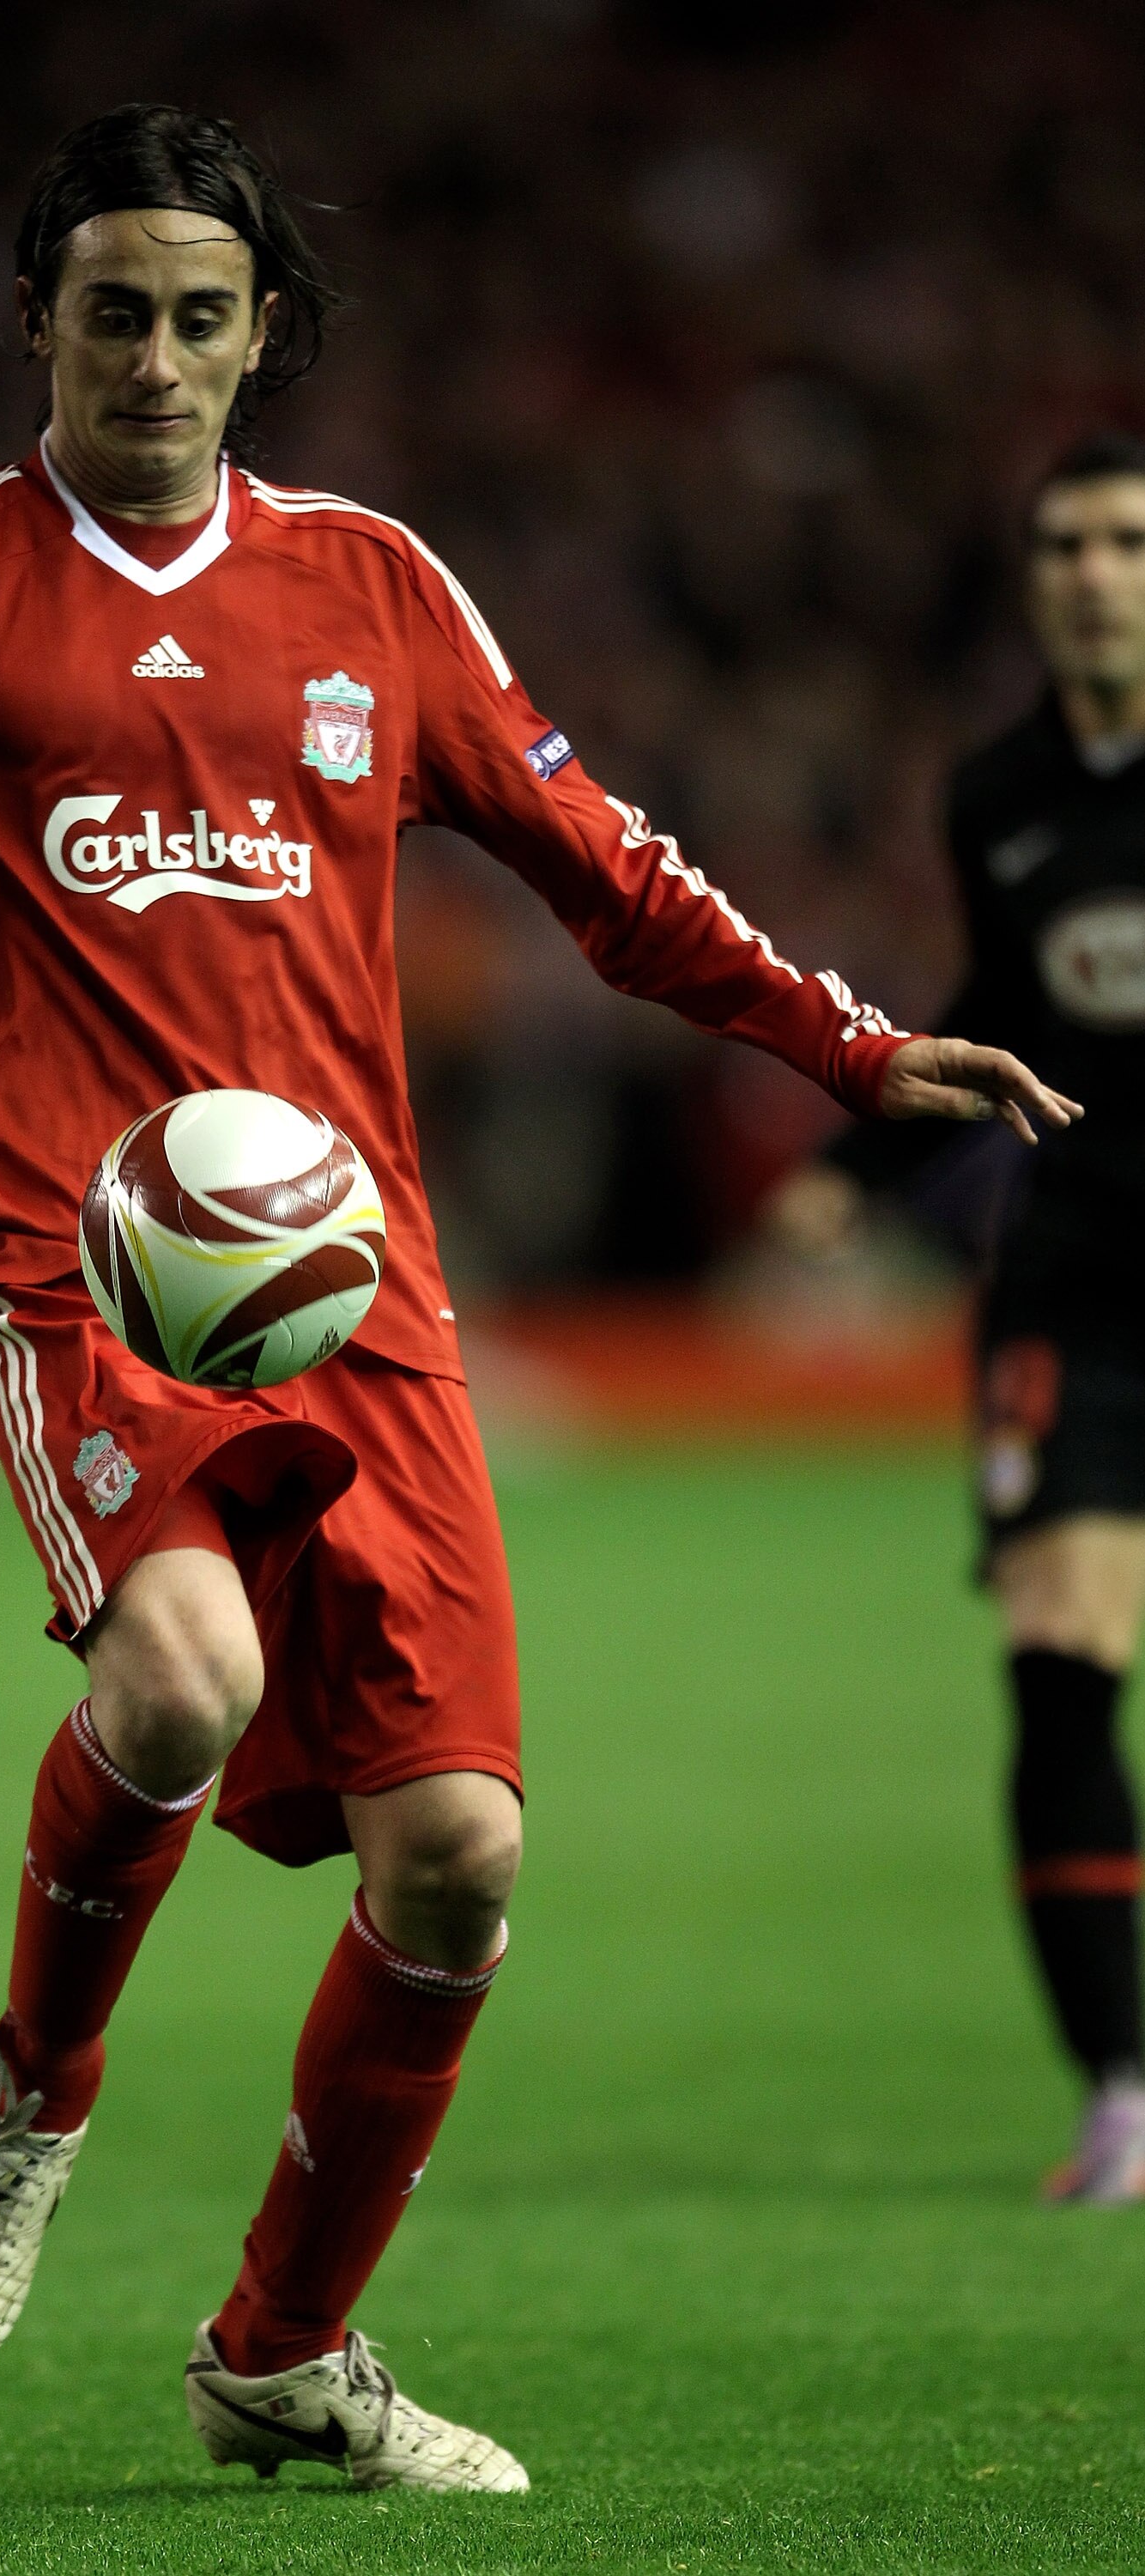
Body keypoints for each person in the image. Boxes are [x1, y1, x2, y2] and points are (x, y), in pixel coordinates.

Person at [0, 106, 1075, 2489]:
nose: (160, 358)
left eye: (205, 316)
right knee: (181, 1683)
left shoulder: (375, 594)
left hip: (353, 1298)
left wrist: (841, 1039)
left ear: (262, 336)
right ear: (38, 325)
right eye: (115, 311)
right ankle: (34, 2093)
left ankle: (280, 2354)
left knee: (464, 1861)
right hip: (59, 1270)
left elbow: (603, 864)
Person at [774, 431, 1145, 2203]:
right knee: (1056, 1658)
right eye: (1064, 544)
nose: (1092, 572)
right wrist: (860, 1160)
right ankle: (1121, 2099)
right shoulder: (993, 791)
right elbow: (1000, 1001)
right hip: (1070, 1285)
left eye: (1126, 544)